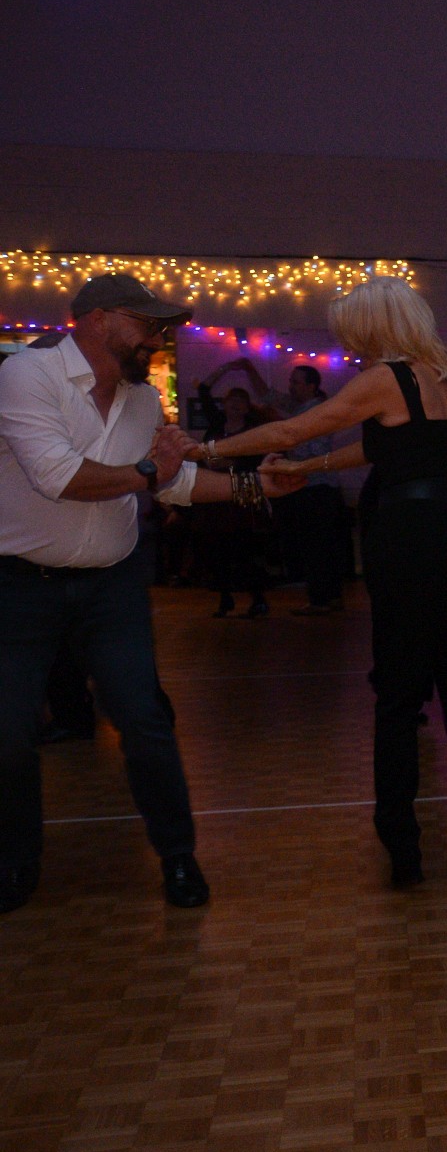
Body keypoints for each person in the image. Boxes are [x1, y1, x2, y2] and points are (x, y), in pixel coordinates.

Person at [193, 277, 447, 890]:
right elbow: (385, 447)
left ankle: (404, 851)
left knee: (398, 697)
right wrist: (309, 469)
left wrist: (204, 452)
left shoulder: (386, 377)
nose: (347, 343)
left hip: (412, 536)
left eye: (351, 331)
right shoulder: (445, 377)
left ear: (372, 326)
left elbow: (291, 429)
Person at [0, 273, 292, 913]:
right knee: (10, 733)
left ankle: (179, 857)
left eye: (162, 328)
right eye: (148, 324)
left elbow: (173, 483)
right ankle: (14, 863)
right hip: (19, 587)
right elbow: (58, 476)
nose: (158, 338)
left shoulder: (139, 400)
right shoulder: (28, 375)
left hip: (111, 586)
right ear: (98, 319)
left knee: (145, 719)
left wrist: (257, 487)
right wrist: (149, 470)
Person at [215, 356, 353, 616]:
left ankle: (321, 600)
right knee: (321, 545)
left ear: (311, 386)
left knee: (315, 545)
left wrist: (281, 435)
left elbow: (313, 452)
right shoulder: (302, 407)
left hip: (316, 488)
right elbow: (269, 396)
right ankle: (329, 597)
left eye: (296, 382)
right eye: (291, 381)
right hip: (315, 488)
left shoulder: (317, 412)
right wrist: (250, 369)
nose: (291, 386)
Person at [193, 384, 273, 618]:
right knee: (218, 546)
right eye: (231, 400)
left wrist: (232, 463)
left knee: (244, 546)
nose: (235, 404)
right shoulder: (217, 426)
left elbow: (256, 459)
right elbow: (204, 392)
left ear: (247, 407)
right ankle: (225, 598)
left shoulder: (252, 430)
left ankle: (257, 598)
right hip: (216, 493)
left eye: (240, 400)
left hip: (243, 493)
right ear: (225, 404)